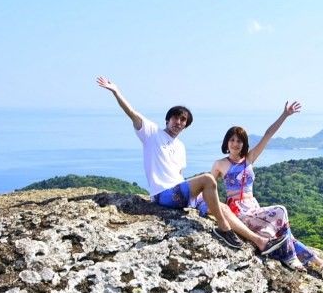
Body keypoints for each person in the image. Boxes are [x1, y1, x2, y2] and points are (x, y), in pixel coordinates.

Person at [96, 76, 286, 256]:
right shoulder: (152, 133)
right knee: (207, 179)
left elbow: (178, 174)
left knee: (222, 207)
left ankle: (259, 241)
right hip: (164, 194)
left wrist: (198, 197)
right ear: (167, 119)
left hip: (181, 194)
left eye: (183, 120)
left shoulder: (180, 147)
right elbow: (132, 113)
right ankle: (223, 229)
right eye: (176, 118)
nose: (178, 122)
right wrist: (116, 91)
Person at [210, 101, 323, 280]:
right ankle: (295, 259)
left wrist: (285, 115)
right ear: (227, 142)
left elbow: (268, 135)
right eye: (232, 140)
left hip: (254, 207)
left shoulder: (249, 158)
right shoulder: (220, 164)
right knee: (281, 211)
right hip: (239, 212)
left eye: (239, 141)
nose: (235, 144)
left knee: (286, 235)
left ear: (244, 144)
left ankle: (320, 264)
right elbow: (208, 186)